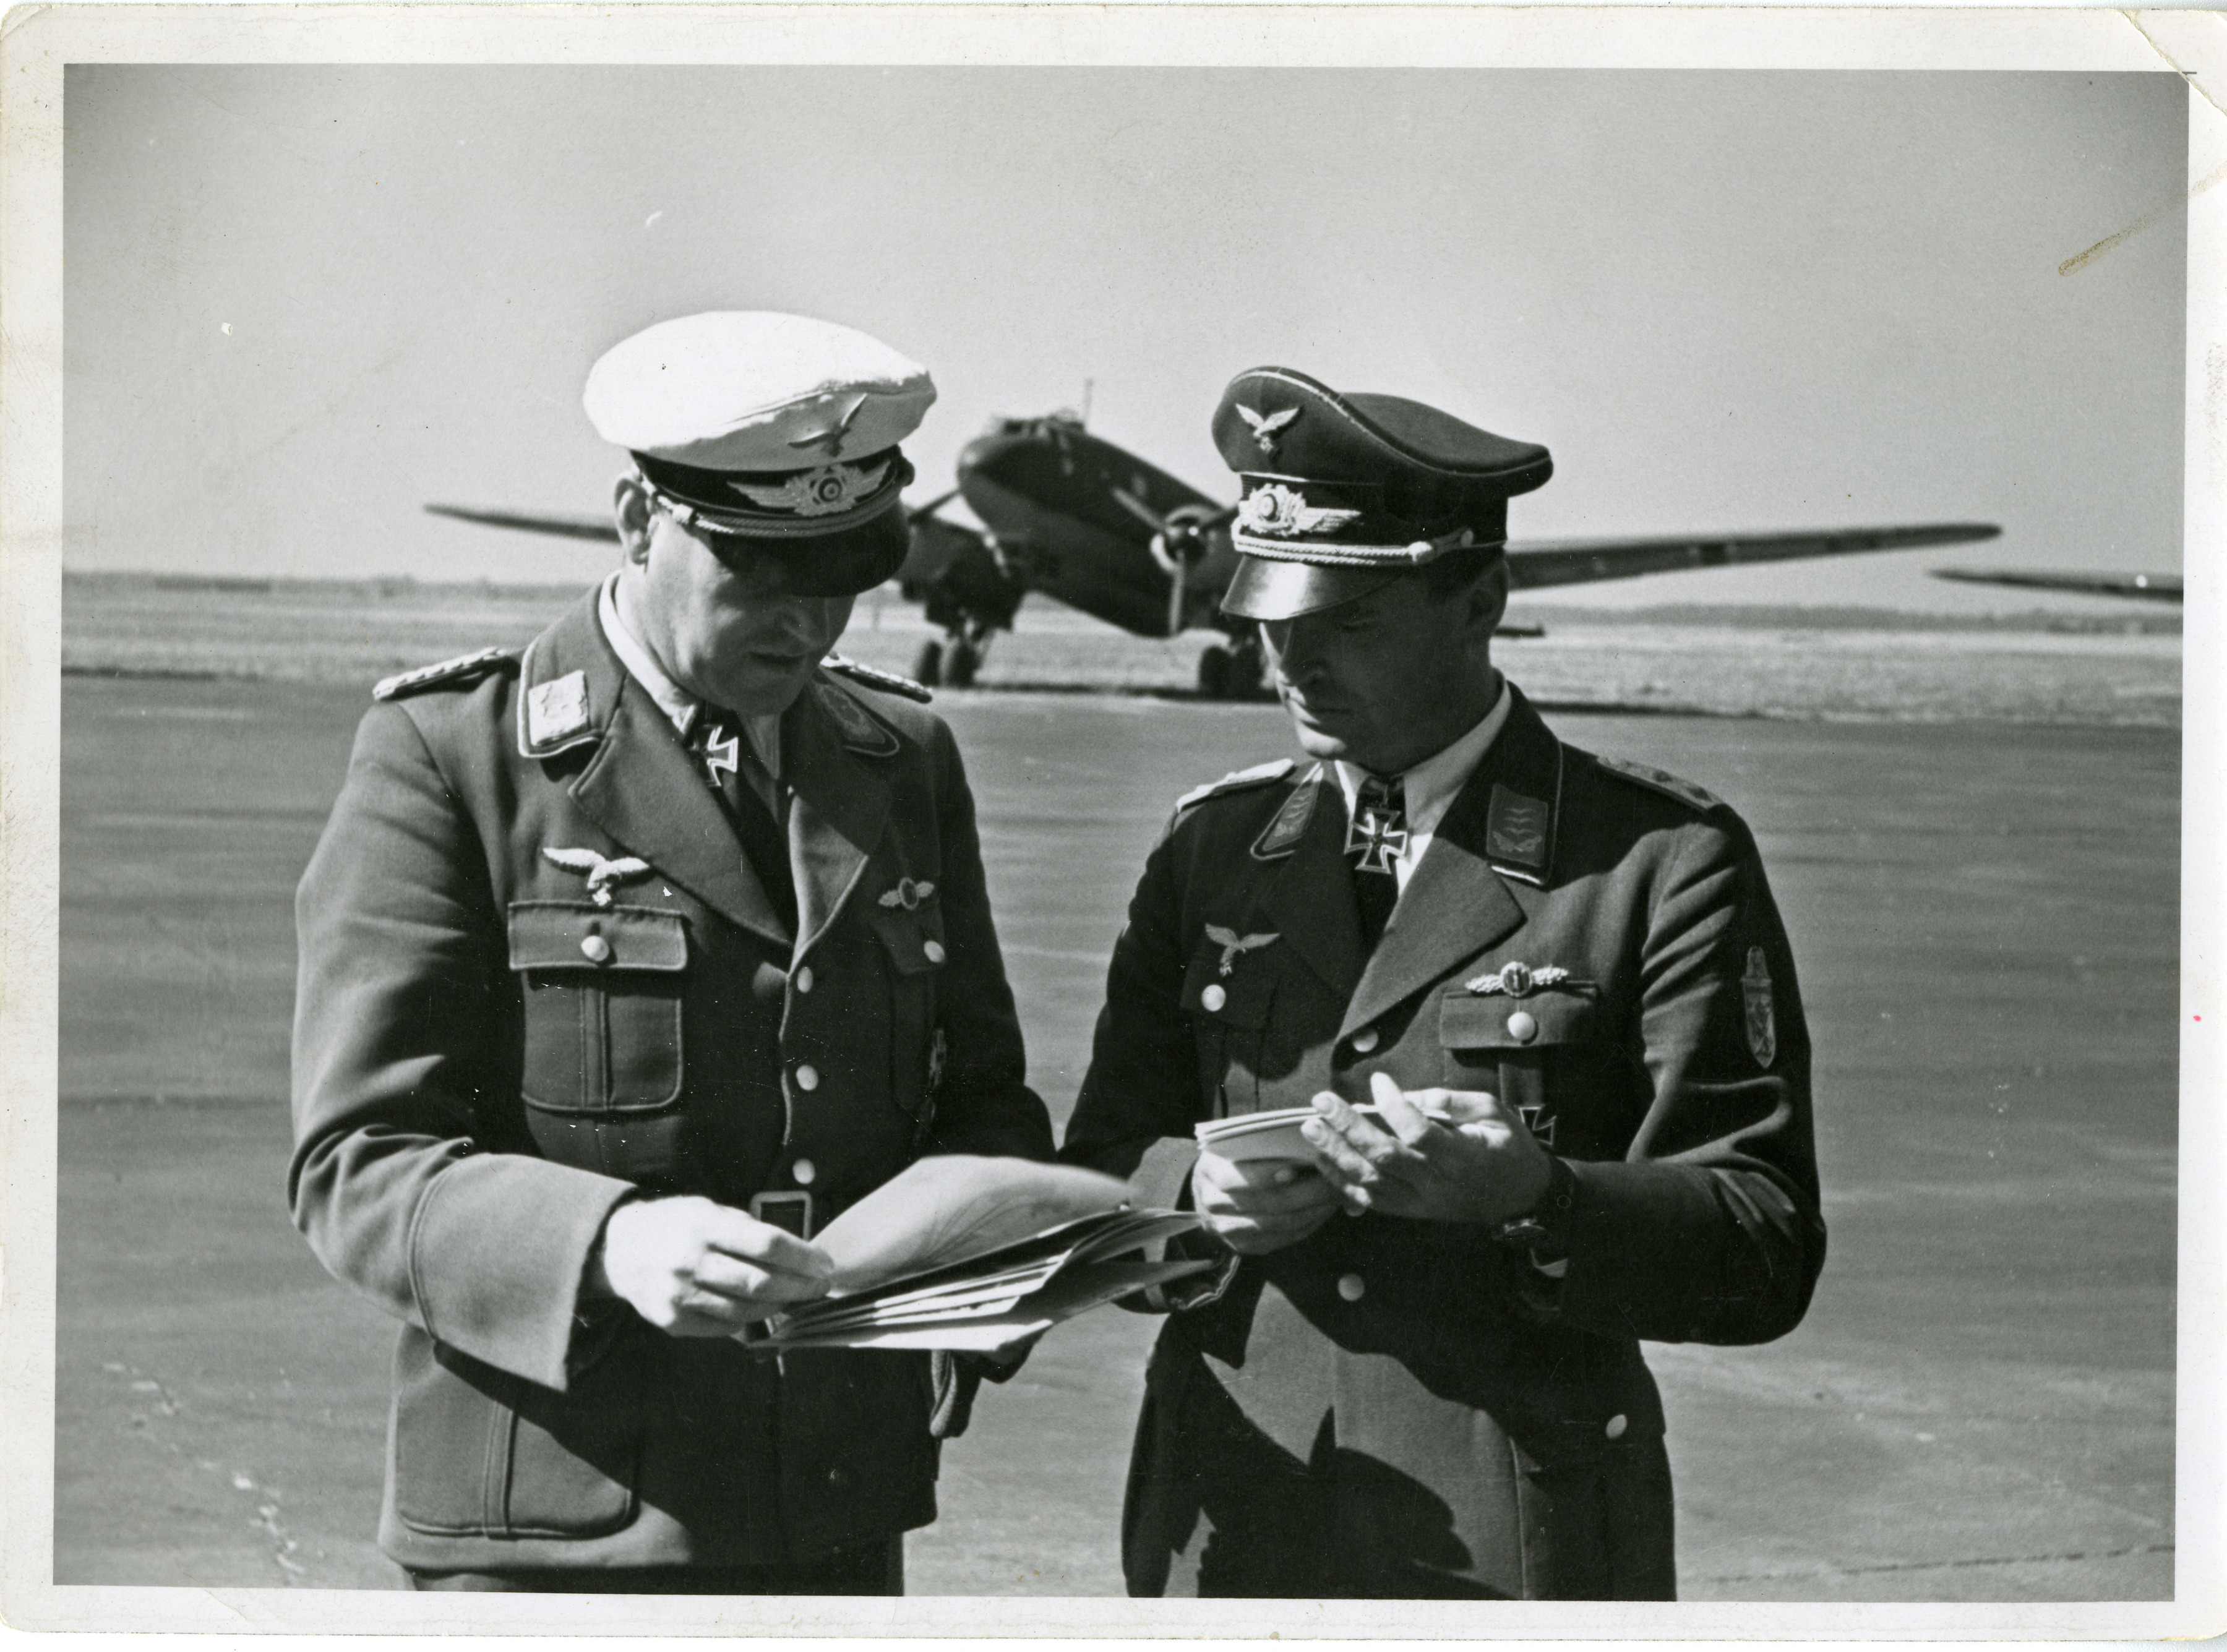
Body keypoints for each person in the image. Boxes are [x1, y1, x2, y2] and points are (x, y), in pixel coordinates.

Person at [290, 310, 1053, 1593]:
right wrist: (609, 1243)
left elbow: (977, 1097)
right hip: (559, 1529)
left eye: (844, 571)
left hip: (832, 1513)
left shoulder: (899, 758)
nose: (809, 620)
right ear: (638, 520)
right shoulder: (455, 755)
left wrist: (1006, 1258)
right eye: (758, 568)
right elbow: (357, 1166)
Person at [1061, 366, 1826, 1599]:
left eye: (1350, 622)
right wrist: (1194, 1191)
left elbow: (1762, 1238)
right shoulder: (1209, 848)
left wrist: (1538, 1196)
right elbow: (1097, 1164)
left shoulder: (1657, 861)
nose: (1293, 661)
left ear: (1483, 598)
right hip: (1233, 1521)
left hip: (1516, 1535)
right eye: (1271, 616)